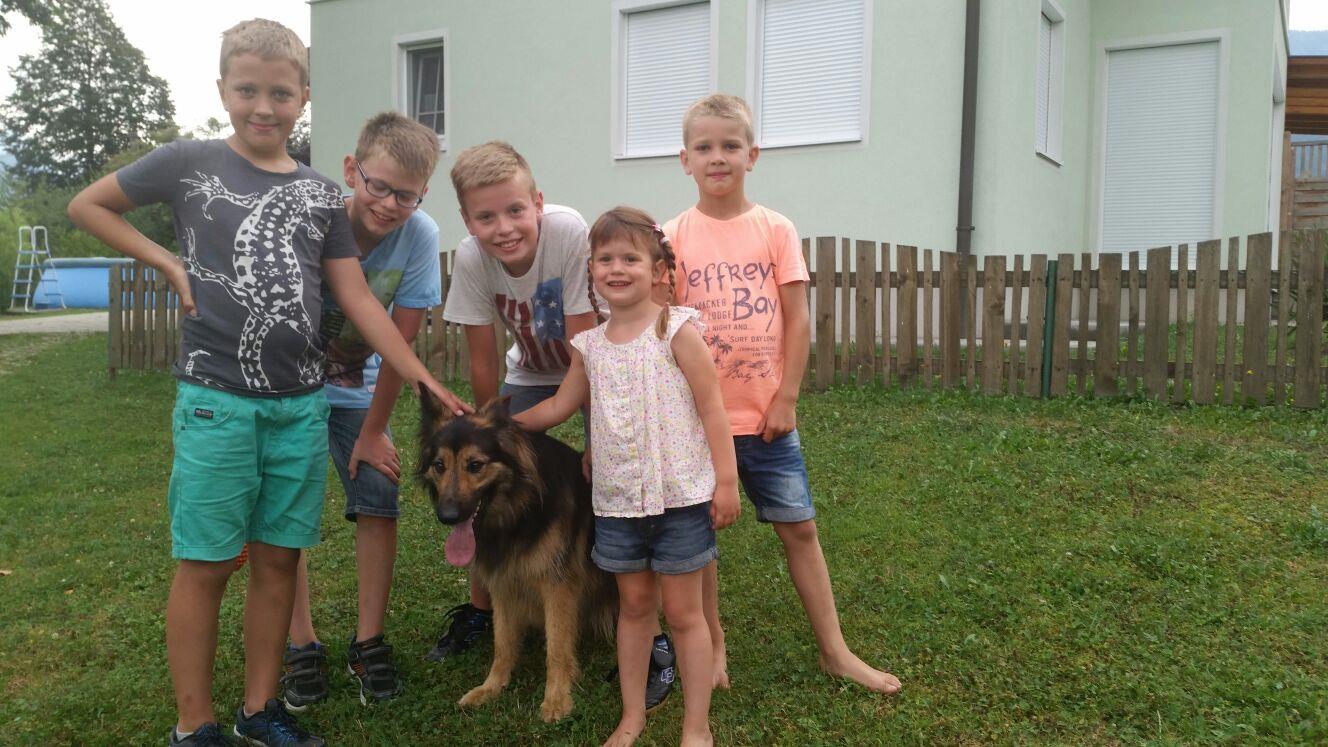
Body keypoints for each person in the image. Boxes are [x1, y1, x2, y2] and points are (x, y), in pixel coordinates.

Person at [67, 20, 467, 747]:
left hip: (300, 409)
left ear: (303, 97)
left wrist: (420, 376)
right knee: (209, 562)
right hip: (218, 403)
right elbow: (87, 206)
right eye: (247, 89)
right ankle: (194, 725)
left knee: (280, 558)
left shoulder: (321, 196)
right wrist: (168, 262)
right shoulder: (187, 161)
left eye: (280, 93)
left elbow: (358, 299)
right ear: (223, 89)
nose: (263, 106)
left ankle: (259, 710)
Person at [663, 93, 903, 696]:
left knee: (800, 530)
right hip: (696, 425)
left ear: (753, 155)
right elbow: (665, 328)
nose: (718, 157)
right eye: (704, 147)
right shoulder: (671, 237)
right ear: (685, 160)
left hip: (768, 419)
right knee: (699, 546)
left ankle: (835, 650)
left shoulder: (775, 229)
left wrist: (787, 398)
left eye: (730, 145)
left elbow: (797, 320)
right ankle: (714, 646)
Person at [515, 206, 740, 747]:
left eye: (630, 259)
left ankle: (696, 726)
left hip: (680, 500)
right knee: (635, 609)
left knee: (684, 615)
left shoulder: (677, 331)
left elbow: (713, 410)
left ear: (658, 269)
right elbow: (559, 407)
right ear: (591, 270)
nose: (616, 269)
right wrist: (498, 425)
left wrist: (727, 482)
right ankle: (633, 715)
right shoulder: (589, 346)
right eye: (605, 259)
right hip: (616, 506)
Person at [277, 112, 444, 712]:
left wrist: (374, 432)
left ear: (422, 194)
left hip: (357, 387)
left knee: (379, 492)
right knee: (284, 509)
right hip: (289, 388)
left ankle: (368, 641)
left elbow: (401, 344)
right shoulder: (314, 217)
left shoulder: (419, 235)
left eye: (406, 195)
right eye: (378, 186)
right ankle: (300, 643)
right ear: (352, 170)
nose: (389, 204)